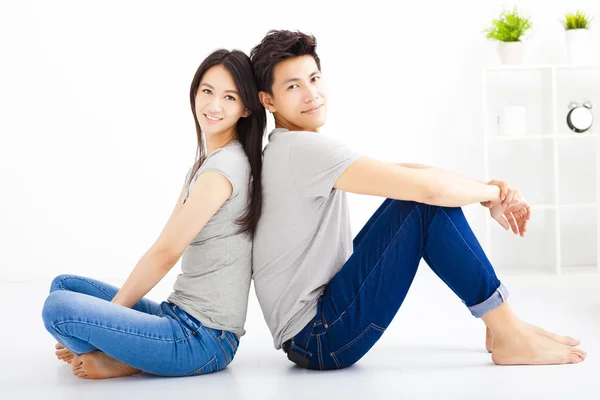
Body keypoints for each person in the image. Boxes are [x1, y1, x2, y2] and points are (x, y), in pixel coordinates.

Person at [249, 30, 586, 370]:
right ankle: (509, 334)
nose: (311, 94)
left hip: (315, 334)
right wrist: (495, 194)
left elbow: (411, 175)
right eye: (293, 87)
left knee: (416, 198)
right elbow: (428, 191)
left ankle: (503, 327)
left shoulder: (291, 147)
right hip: (321, 337)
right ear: (268, 101)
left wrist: (485, 188)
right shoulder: (300, 149)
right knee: (422, 206)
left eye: (314, 78)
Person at [41, 49, 266, 379]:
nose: (214, 105)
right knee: (65, 286)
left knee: (58, 310)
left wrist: (106, 319)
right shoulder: (205, 165)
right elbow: (166, 239)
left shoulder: (223, 170)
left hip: (203, 340)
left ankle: (125, 357)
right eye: (207, 91)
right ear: (194, 92)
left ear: (246, 108)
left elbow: (166, 254)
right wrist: (107, 320)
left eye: (229, 97)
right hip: (176, 316)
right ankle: (133, 353)